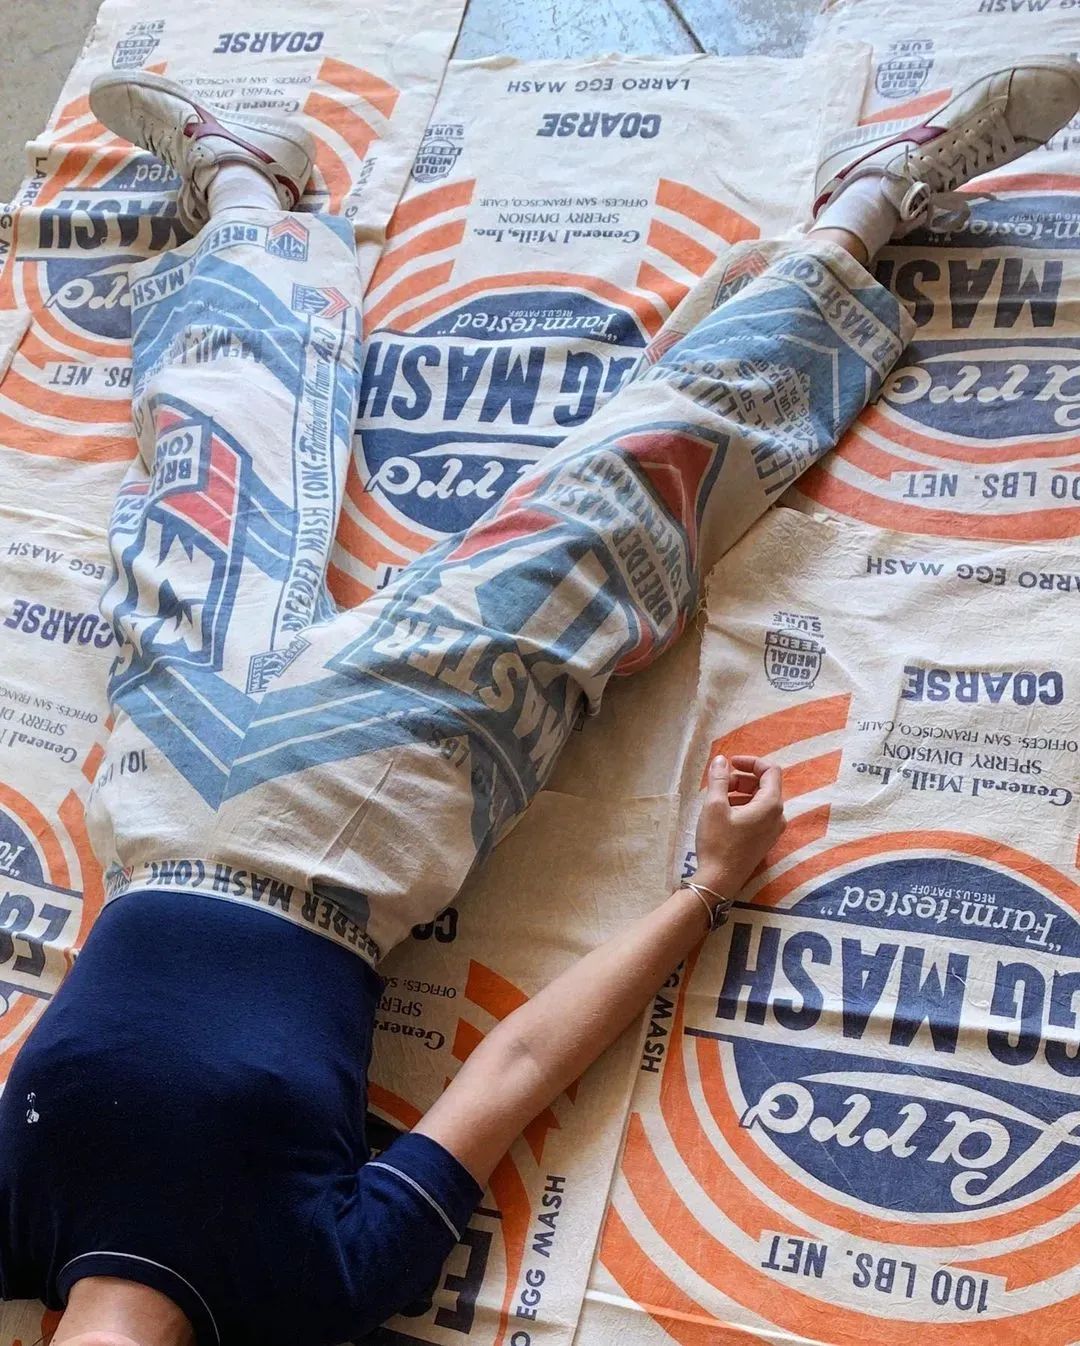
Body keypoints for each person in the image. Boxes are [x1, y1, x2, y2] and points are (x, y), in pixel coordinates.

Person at [1, 55, 1077, 1346]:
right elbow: (515, 1064)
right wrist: (705, 891)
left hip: (163, 779)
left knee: (197, 454)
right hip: (360, 819)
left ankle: (245, 185)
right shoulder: (314, 1288)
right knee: (611, 514)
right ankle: (869, 210)